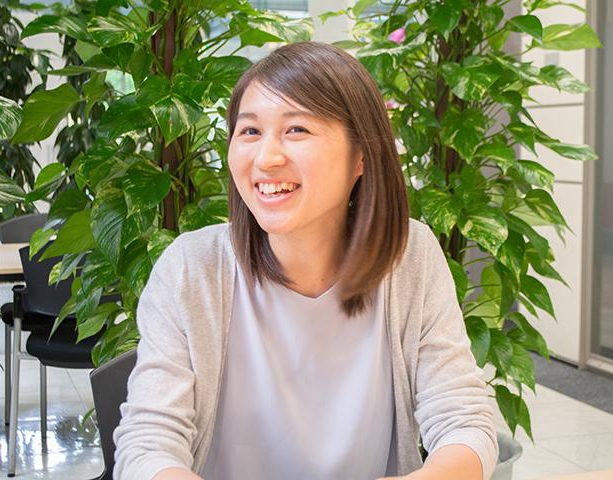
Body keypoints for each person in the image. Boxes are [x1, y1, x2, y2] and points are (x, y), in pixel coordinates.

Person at [112, 41, 499, 480]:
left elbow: (464, 421)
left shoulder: (410, 257)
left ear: (361, 155)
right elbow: (147, 446)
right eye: (250, 131)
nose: (267, 158)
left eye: (296, 129)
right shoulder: (191, 268)